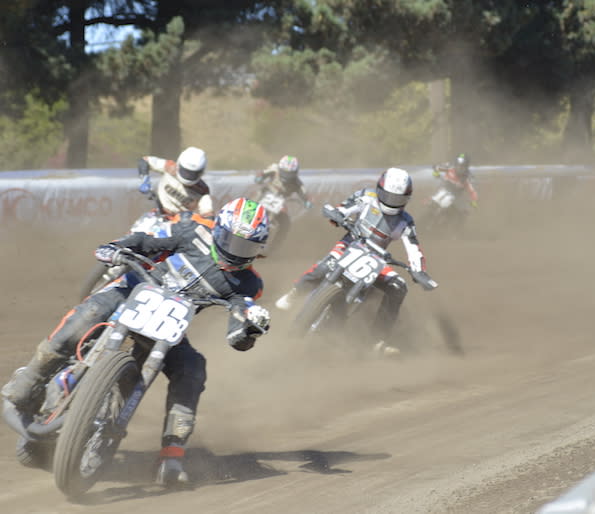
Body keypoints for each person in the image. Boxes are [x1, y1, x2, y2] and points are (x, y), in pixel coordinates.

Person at [1, 198, 272, 486]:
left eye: (246, 247)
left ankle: (171, 454)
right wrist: (119, 247)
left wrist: (249, 330)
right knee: (86, 315)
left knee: (193, 368)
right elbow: (147, 241)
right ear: (219, 231)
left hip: (167, 328)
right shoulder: (193, 233)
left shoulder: (249, 284)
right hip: (131, 290)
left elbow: (238, 328)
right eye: (232, 241)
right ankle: (28, 381)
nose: (236, 252)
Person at [274, 167, 438, 356]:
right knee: (323, 267)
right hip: (350, 244)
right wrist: (337, 214)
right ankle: (295, 292)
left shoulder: (405, 221)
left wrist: (419, 271)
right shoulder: (366, 197)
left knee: (399, 287)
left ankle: (377, 340)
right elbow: (345, 208)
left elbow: (414, 248)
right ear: (379, 189)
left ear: (406, 199)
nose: (392, 202)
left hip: (376, 258)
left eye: (397, 199)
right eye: (389, 196)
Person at [138, 146, 215, 219]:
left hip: (179, 223)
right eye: (186, 171)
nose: (188, 176)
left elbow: (207, 213)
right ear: (179, 165)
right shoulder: (171, 167)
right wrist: (145, 180)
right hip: (157, 213)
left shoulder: (202, 190)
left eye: (193, 173)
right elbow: (145, 160)